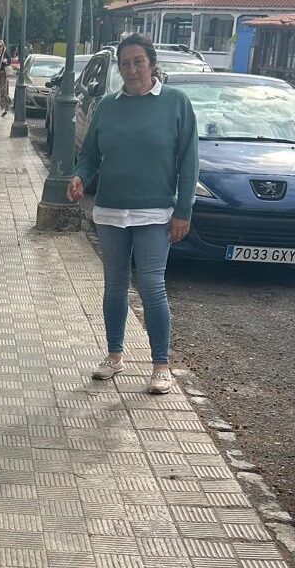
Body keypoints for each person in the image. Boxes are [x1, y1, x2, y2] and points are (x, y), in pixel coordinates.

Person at [65, 33, 199, 395]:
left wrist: (183, 210)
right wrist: (80, 177)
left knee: (153, 287)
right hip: (111, 211)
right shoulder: (108, 106)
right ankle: (114, 355)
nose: (132, 69)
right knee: (114, 286)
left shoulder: (175, 103)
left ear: (152, 64)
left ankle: (160, 365)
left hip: (155, 213)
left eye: (138, 61)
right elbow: (90, 154)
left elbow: (189, 161)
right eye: (125, 63)